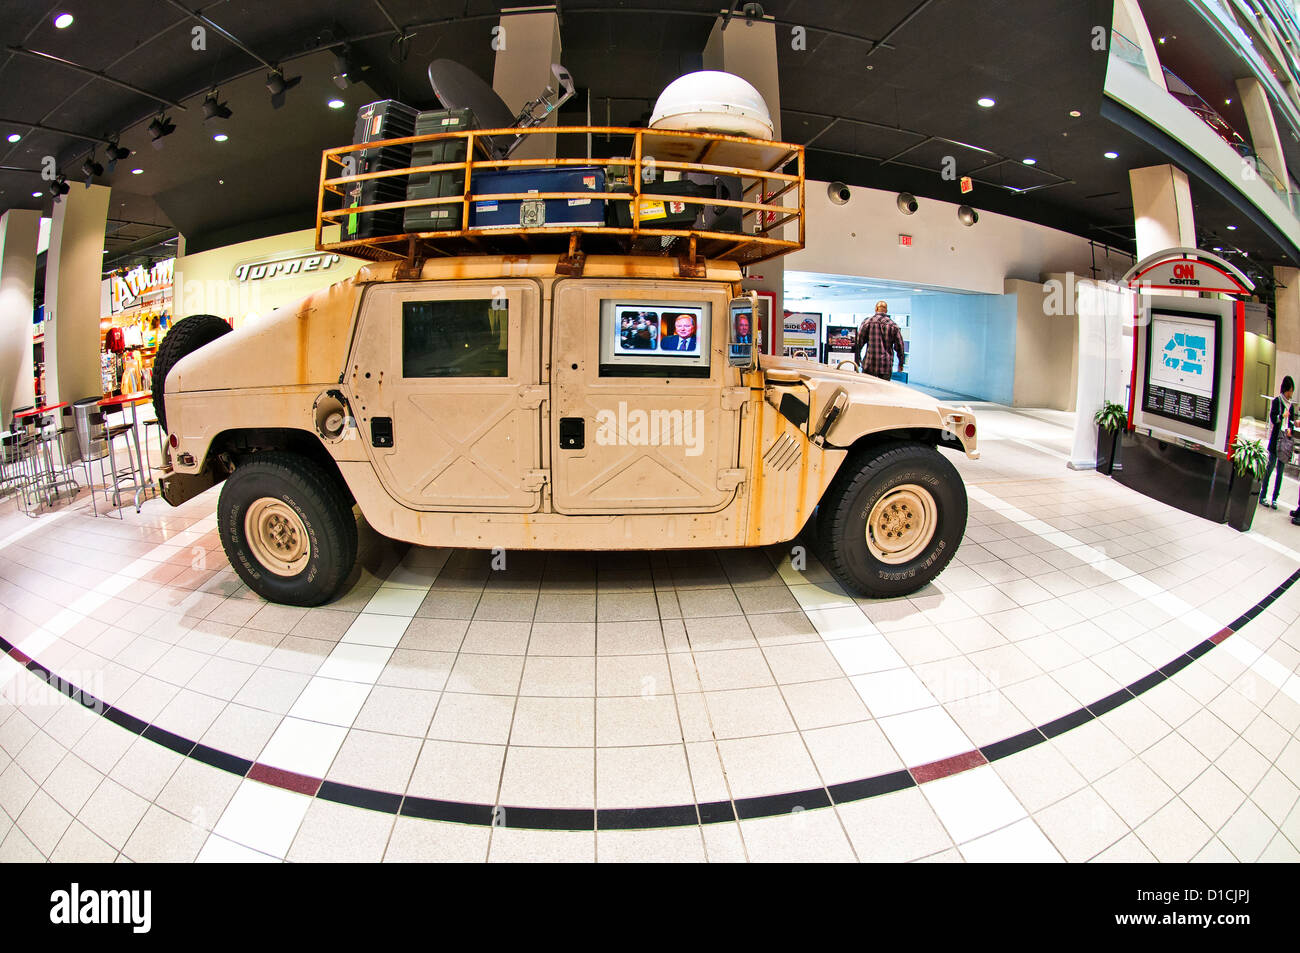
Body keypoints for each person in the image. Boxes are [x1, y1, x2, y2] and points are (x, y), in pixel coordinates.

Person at [1262, 376, 1294, 509]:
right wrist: (1282, 416)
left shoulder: (1290, 405)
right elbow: (1273, 419)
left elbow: (1291, 422)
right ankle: (1263, 495)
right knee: (1270, 469)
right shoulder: (1277, 401)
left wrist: (1290, 428)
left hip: (1285, 442)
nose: (1291, 393)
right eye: (1291, 390)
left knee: (1280, 471)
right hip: (1276, 441)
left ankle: (1275, 498)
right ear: (1286, 389)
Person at [854, 300, 906, 381]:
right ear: (886, 310)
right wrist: (901, 363)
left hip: (869, 364)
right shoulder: (893, 325)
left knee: (867, 390)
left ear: (876, 309)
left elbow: (858, 342)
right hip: (886, 366)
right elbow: (900, 346)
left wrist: (857, 358)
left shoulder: (867, 322)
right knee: (883, 391)